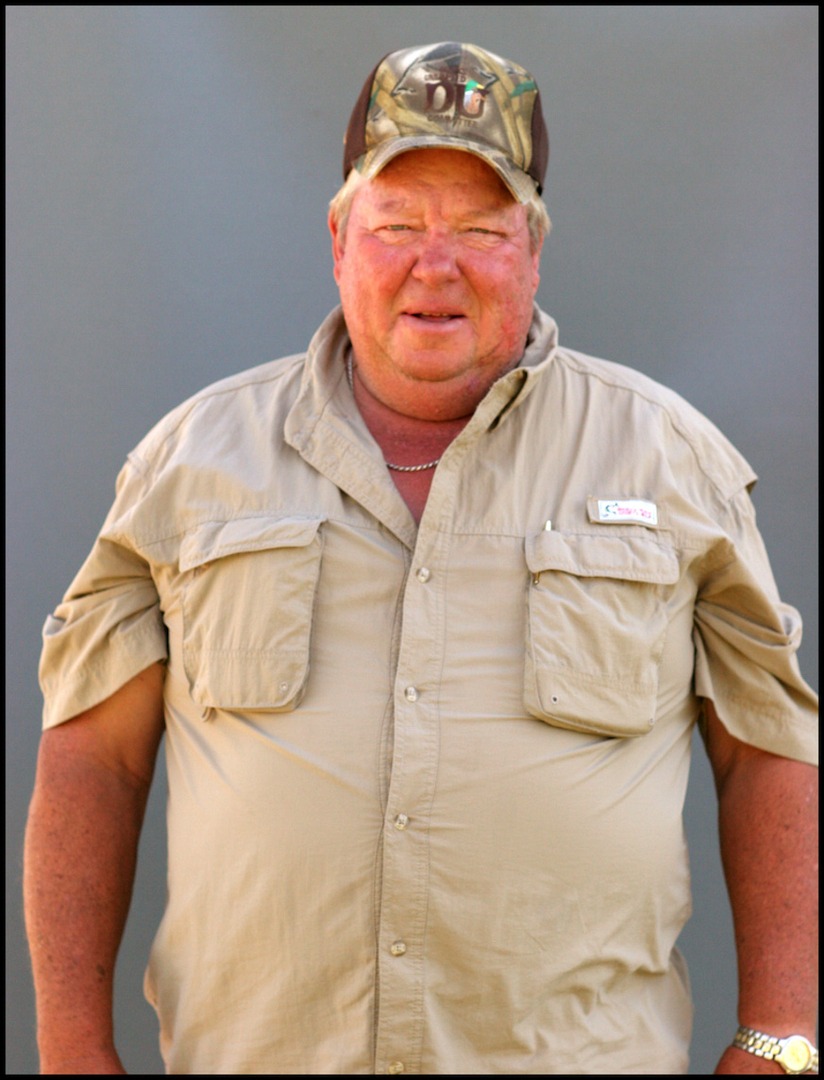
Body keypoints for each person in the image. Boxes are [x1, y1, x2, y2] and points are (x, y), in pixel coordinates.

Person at [24, 41, 817, 1076]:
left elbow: (767, 750)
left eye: (478, 231)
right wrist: (72, 1050)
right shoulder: (189, 464)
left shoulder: (671, 462)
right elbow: (93, 757)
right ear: (338, 241)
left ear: (531, 250)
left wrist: (781, 1037)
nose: (431, 266)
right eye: (396, 226)